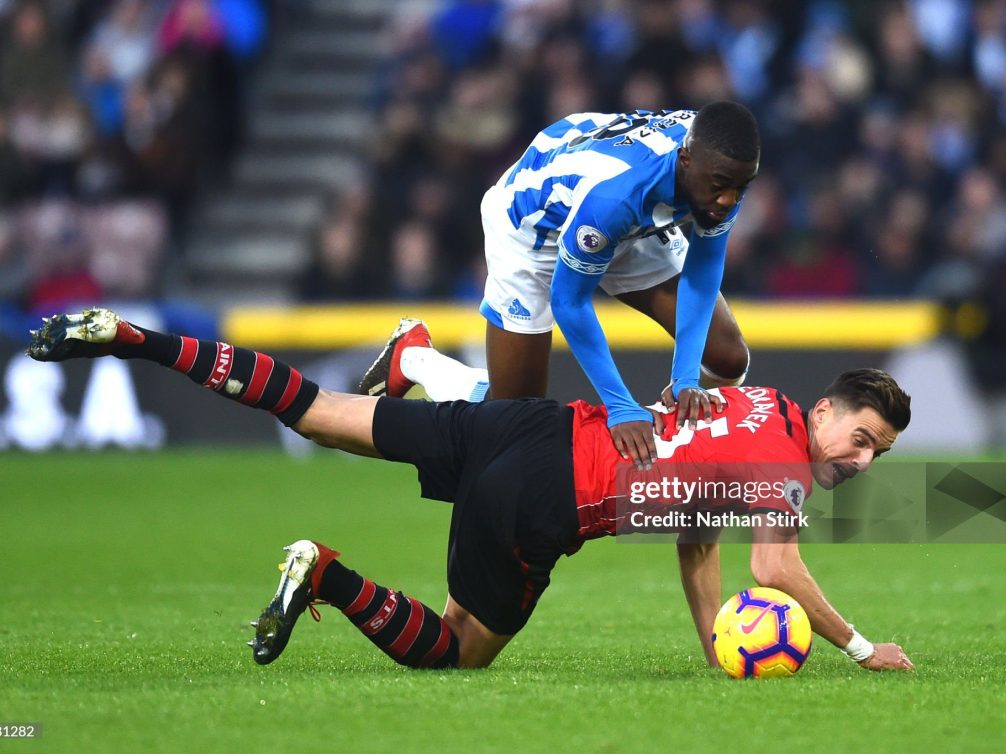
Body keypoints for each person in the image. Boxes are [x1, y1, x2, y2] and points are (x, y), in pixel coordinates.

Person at [27, 308, 914, 672]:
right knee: (459, 652)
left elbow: (694, 534)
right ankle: (324, 572)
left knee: (316, 411)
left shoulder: (756, 397)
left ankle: (138, 339)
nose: (862, 461)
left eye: (878, 453)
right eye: (862, 439)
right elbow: (777, 570)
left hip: (530, 426)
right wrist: (861, 646)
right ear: (827, 412)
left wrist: (713, 643)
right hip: (546, 499)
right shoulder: (784, 472)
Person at [359, 102, 760, 470]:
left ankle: (672, 444)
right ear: (686, 161)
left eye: (741, 187)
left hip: (621, 217)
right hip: (535, 226)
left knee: (726, 357)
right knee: (516, 415)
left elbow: (704, 267)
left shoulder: (719, 163)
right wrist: (620, 407)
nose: (728, 200)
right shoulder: (616, 198)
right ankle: (415, 358)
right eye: (722, 186)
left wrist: (687, 378)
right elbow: (569, 302)